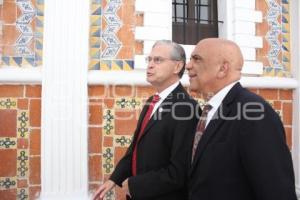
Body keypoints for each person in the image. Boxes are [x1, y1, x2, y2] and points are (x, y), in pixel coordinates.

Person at [185, 38, 297, 200]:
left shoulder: (255, 113)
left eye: (197, 59)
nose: (188, 66)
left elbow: (276, 191)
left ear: (223, 69)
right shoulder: (208, 111)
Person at [93, 40, 199, 200]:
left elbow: (179, 172)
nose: (150, 65)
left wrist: (134, 185)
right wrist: (114, 179)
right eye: (149, 59)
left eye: (158, 60)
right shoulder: (152, 101)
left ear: (177, 67)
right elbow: (135, 148)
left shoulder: (186, 108)